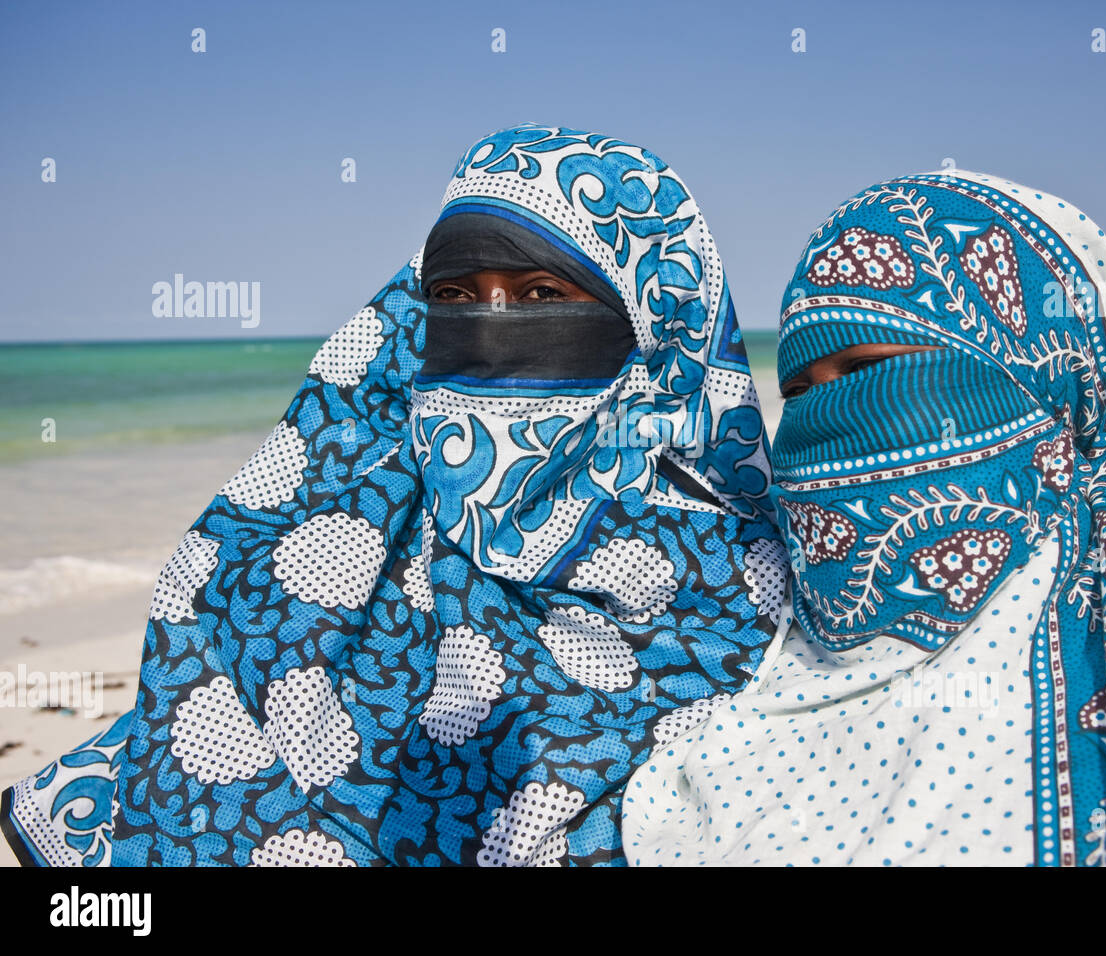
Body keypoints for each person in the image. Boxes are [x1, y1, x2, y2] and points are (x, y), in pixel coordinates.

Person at [0, 124, 789, 867]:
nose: (490, 323)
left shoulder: (744, 590)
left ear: (653, 320)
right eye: (454, 296)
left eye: (544, 293)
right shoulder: (346, 531)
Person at [620, 169, 1106, 866]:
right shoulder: (763, 679)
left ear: (1039, 372)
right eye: (796, 390)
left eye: (866, 368)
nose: (824, 417)